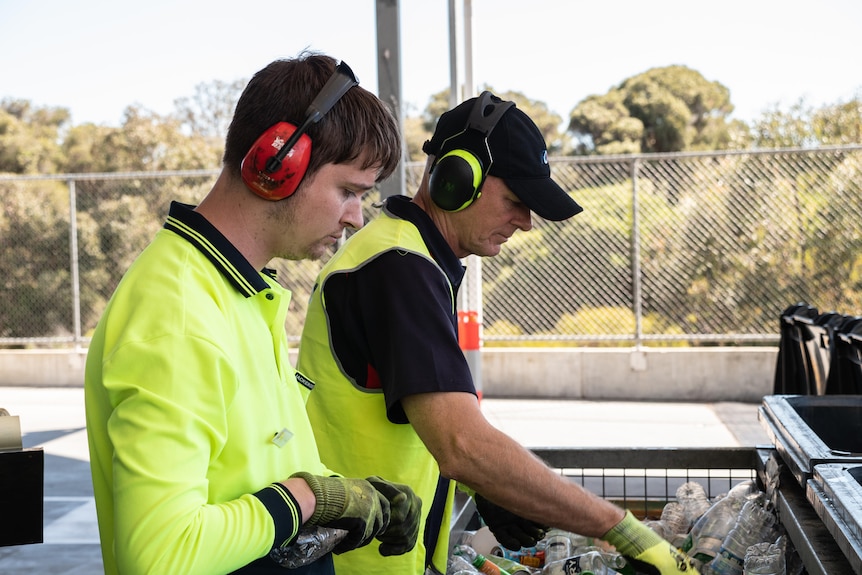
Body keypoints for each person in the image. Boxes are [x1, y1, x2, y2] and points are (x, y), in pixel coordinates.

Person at [296, 91, 699, 575]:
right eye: (514, 200)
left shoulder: (403, 258)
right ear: (456, 179)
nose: (526, 223)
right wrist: (620, 528)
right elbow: (463, 445)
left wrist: (482, 488)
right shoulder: (399, 269)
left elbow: (404, 416)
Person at [84, 52, 421, 575]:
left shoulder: (236, 292)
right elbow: (159, 555)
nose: (357, 216)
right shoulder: (177, 312)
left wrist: (341, 495)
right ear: (276, 162)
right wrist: (308, 498)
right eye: (349, 191)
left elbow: (250, 473)